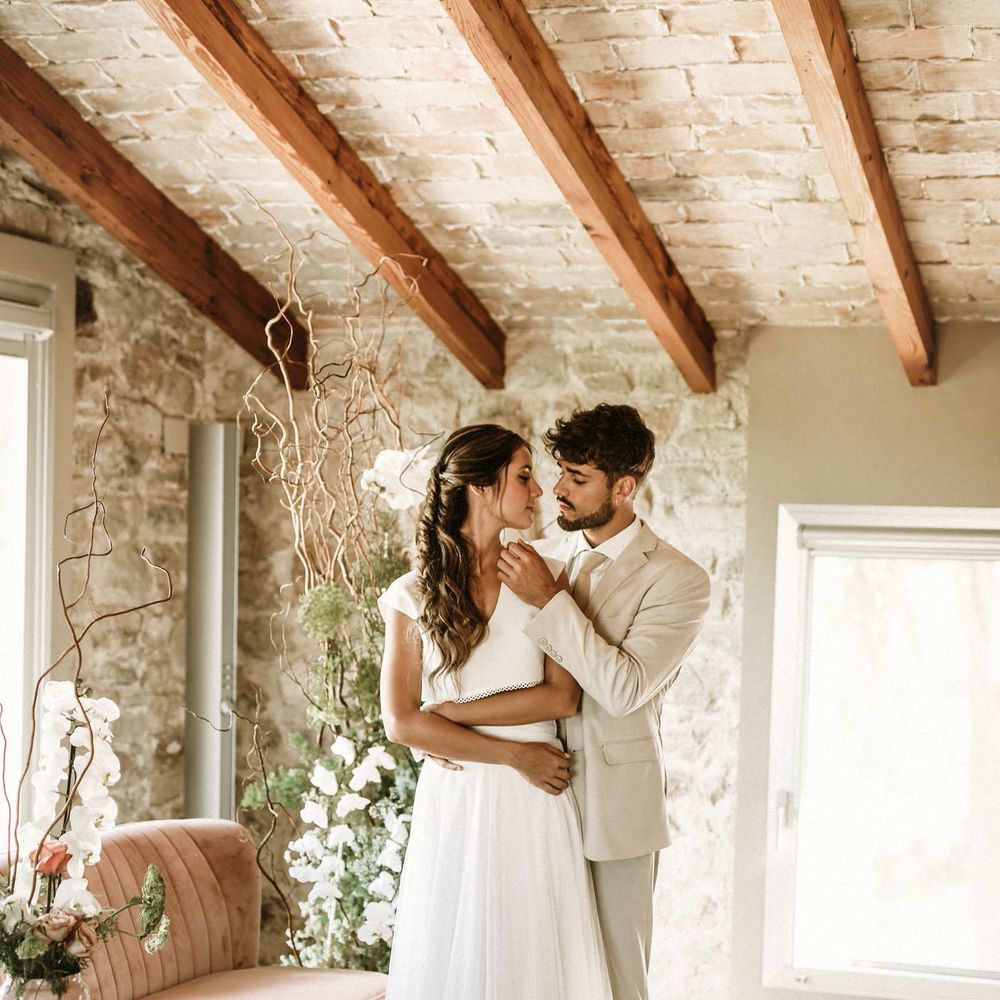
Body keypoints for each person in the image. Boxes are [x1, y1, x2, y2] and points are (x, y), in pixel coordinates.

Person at [430, 404, 711, 1000]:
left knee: (612, 984)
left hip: (612, 812)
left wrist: (552, 600)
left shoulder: (679, 579)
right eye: (558, 472)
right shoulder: (553, 560)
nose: (557, 490)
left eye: (578, 479)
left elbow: (625, 688)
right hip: (530, 809)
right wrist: (456, 738)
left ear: (625, 487)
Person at [378, 423, 613, 1000]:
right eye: (525, 476)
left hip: (534, 801)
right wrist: (513, 755)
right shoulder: (411, 594)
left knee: (533, 961)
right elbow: (401, 721)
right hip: (460, 797)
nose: (540, 492)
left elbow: (562, 696)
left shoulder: (544, 576)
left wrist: (451, 713)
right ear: (482, 487)